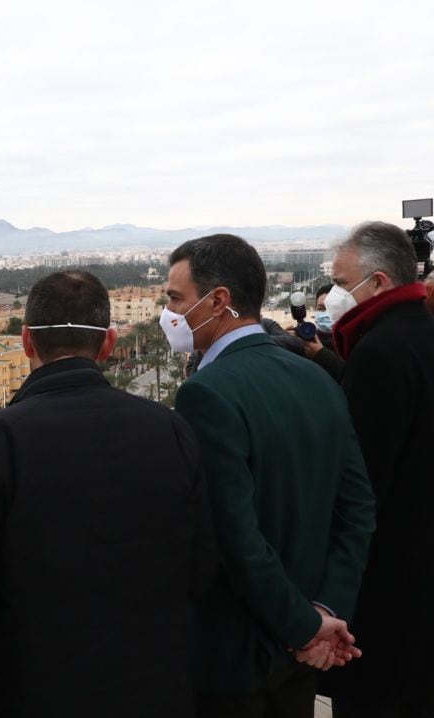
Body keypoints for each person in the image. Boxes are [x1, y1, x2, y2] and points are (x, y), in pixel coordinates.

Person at [0, 270, 217, 717]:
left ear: (26, 342)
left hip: (31, 692)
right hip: (153, 689)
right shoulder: (170, 429)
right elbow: (201, 570)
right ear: (109, 343)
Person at [164, 235, 375, 718]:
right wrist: (325, 612)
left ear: (218, 301)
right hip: (303, 653)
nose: (169, 313)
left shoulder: (206, 393)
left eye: (175, 298)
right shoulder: (315, 376)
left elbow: (234, 534)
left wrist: (302, 625)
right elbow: (358, 510)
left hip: (237, 658)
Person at [318, 222, 434, 717]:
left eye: (343, 284)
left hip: (391, 585)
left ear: (380, 282)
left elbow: (362, 482)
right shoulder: (421, 333)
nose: (334, 297)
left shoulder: (381, 351)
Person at [296, 284, 346, 382]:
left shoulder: (352, 344)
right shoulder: (306, 340)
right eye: (321, 308)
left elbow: (351, 376)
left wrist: (321, 354)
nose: (326, 314)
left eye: (332, 308)